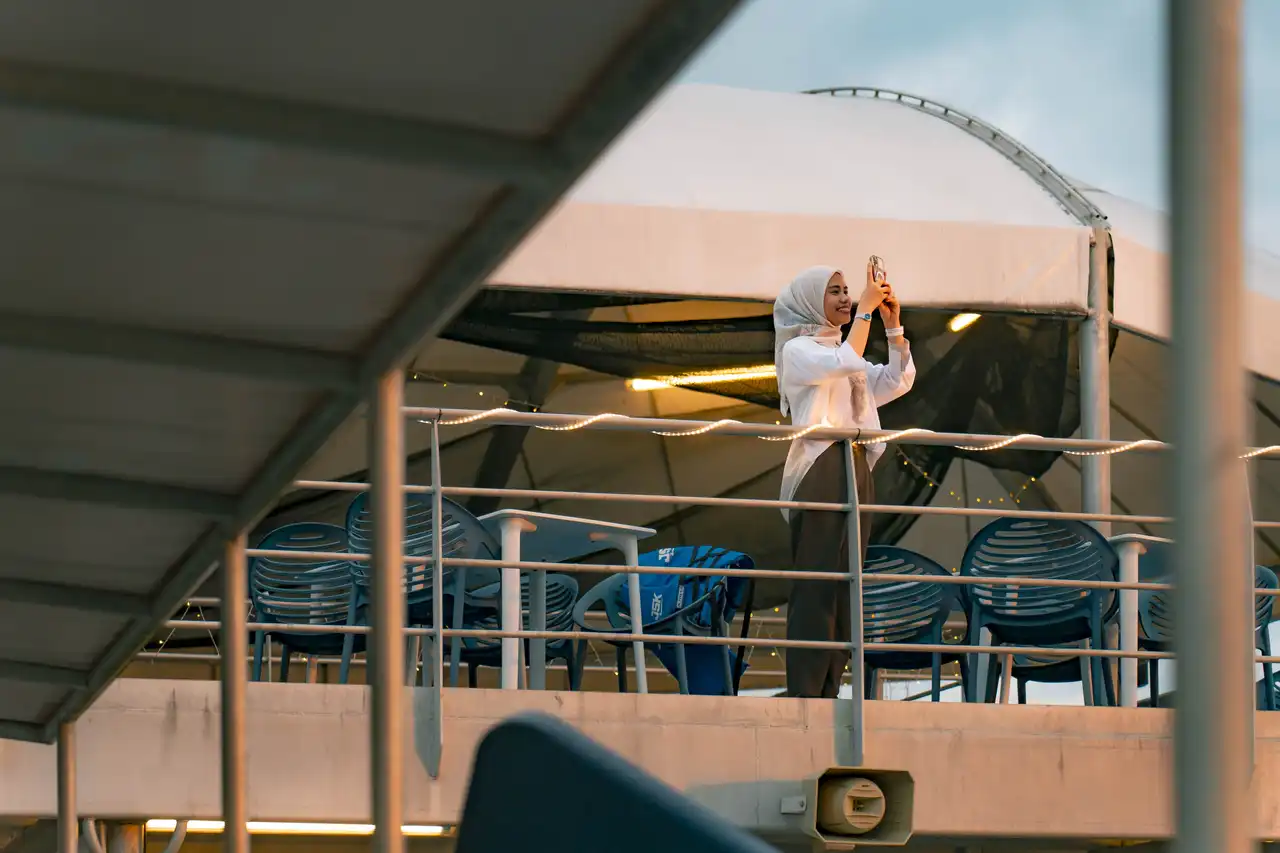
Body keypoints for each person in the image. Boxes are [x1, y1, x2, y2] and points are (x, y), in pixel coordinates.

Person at [773, 262, 916, 698]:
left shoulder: (842, 351)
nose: (845, 298)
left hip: (855, 462)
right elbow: (844, 360)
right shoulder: (799, 351)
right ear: (809, 301)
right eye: (833, 291)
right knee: (818, 580)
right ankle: (805, 690)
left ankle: (830, 687)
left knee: (846, 584)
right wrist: (867, 315)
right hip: (821, 464)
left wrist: (892, 327)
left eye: (847, 290)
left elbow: (897, 380)